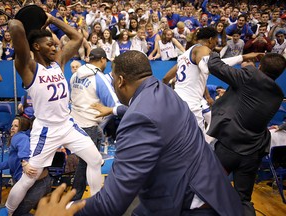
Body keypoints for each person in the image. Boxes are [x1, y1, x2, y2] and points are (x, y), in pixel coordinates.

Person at [70, 50, 244, 215]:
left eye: (113, 79)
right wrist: (114, 110)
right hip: (214, 190)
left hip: (193, 205)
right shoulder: (164, 91)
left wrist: (67, 209)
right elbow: (146, 112)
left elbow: (111, 203)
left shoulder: (138, 119)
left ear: (120, 81)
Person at [4, 12, 102, 215]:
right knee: (30, 176)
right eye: (49, 44)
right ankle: (9, 210)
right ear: (36, 47)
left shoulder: (58, 63)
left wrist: (50, 18)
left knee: (95, 160)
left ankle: (97, 204)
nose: (54, 47)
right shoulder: (28, 67)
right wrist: (22, 18)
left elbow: (76, 37)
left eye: (55, 44)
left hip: (67, 124)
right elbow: (14, 27)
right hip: (46, 130)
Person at [207, 52, 286, 215]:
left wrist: (213, 52)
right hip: (253, 152)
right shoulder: (278, 95)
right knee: (243, 199)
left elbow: (214, 65)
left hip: (229, 147)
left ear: (260, 66)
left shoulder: (249, 76)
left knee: (209, 187)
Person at [70, 48, 126, 201]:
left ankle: (77, 197)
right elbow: (113, 105)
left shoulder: (75, 75)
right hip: (89, 125)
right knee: (91, 162)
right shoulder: (98, 77)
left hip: (75, 123)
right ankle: (92, 199)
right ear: (102, 60)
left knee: (86, 162)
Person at [0, 116, 51, 216]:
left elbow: (24, 149)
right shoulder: (24, 138)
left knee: (16, 213)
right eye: (12, 125)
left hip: (36, 184)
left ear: (22, 128)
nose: (12, 128)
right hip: (41, 181)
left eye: (16, 126)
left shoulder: (20, 137)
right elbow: (11, 161)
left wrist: (24, 162)